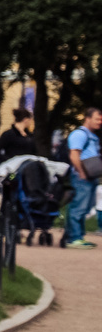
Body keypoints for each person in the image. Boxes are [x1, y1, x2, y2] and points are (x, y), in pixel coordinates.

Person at [66, 107, 101, 250]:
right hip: (82, 177)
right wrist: (81, 173)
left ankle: (78, 236)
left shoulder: (92, 136)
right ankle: (74, 238)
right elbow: (74, 155)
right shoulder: (79, 135)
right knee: (78, 207)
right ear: (87, 118)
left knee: (85, 207)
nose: (100, 122)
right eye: (97, 119)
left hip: (90, 177)